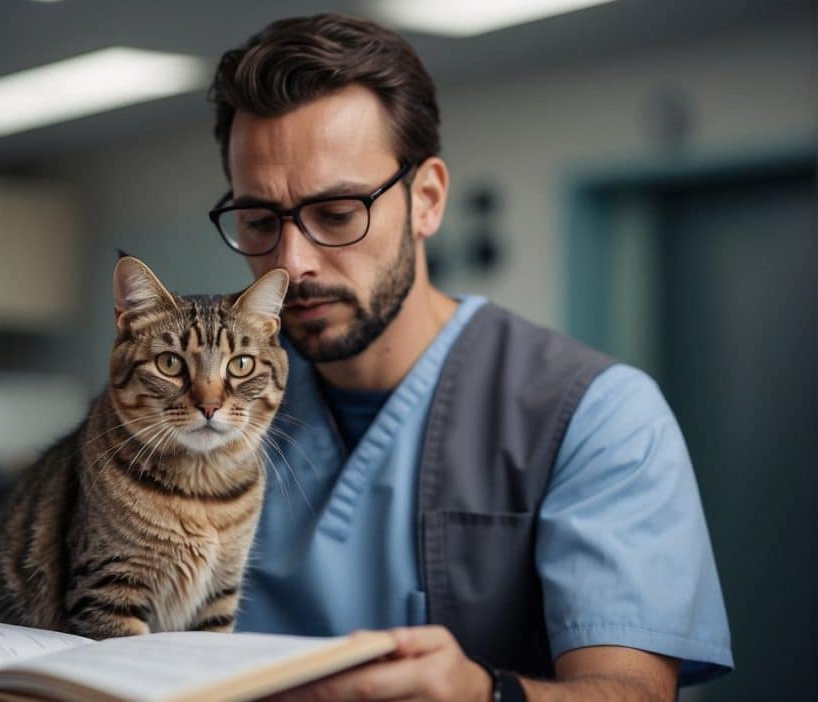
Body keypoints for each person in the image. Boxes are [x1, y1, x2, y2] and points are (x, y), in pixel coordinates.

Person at [205, 12, 732, 701]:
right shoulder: (204, 409)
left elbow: (634, 694)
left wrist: (487, 695)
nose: (291, 262)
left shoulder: (597, 416)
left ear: (426, 201)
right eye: (259, 222)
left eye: (336, 214)